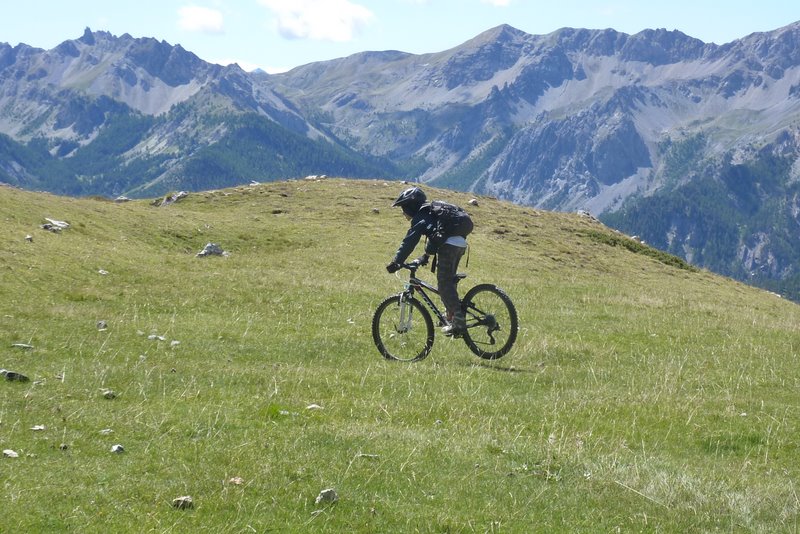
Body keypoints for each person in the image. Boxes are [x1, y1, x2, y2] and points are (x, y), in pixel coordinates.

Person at [386, 186, 469, 337]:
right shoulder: (432, 213)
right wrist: (425, 256)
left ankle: (458, 321)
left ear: (411, 206)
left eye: (403, 208)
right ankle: (450, 315)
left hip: (449, 246)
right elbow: (437, 236)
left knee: (443, 284)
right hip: (460, 244)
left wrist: (397, 261)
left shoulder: (420, 217)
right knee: (448, 280)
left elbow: (409, 241)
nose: (403, 213)